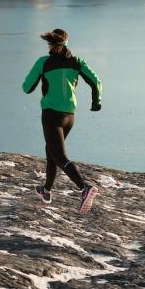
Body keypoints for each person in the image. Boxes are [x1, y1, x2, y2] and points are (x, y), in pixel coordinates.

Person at [22, 28, 102, 212]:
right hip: (69, 116)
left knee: (58, 155)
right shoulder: (76, 62)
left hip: (51, 115)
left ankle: (84, 188)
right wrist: (96, 102)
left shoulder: (44, 62)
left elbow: (27, 87)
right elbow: (96, 81)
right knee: (51, 150)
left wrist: (39, 78)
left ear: (52, 44)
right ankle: (46, 190)